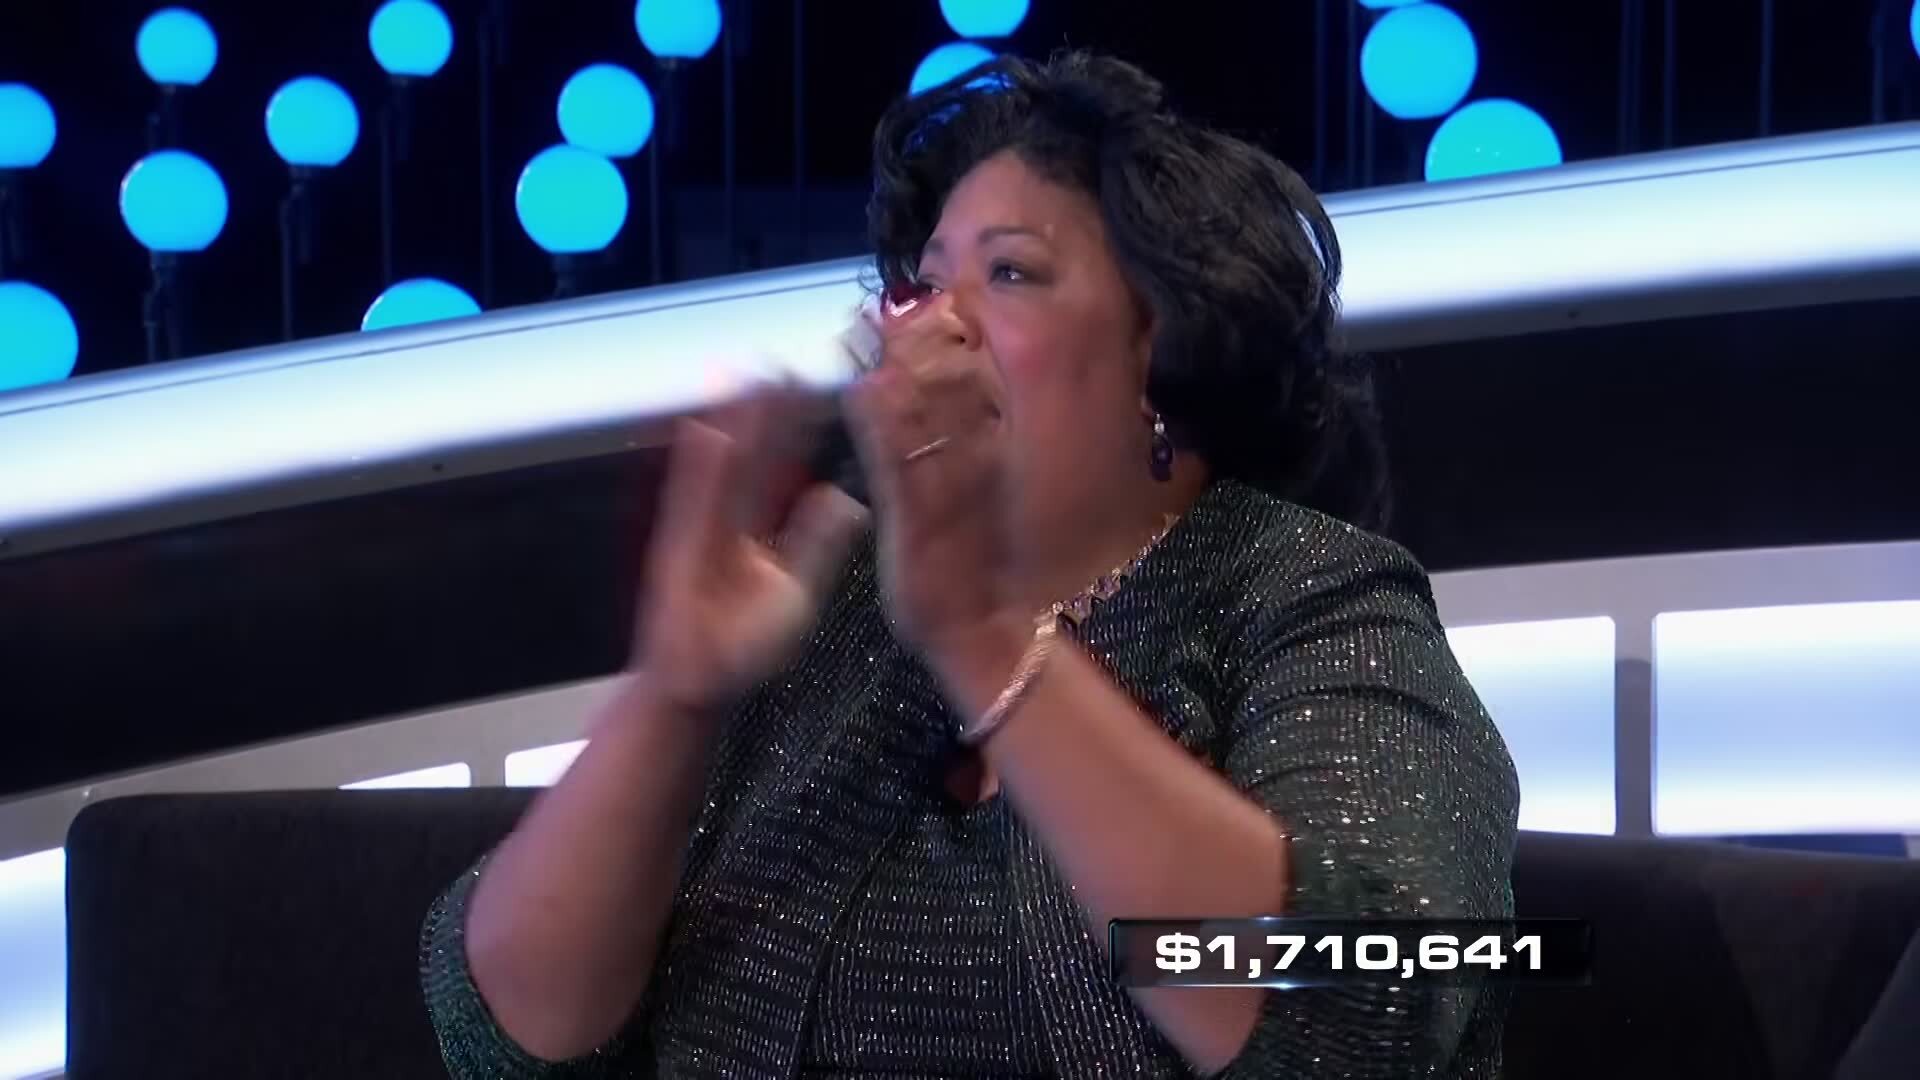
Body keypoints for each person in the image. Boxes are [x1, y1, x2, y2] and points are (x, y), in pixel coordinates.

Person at [420, 50, 1520, 1079]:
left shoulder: (1315, 597)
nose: (933, 325)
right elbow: (504, 1033)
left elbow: (1363, 1006)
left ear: (1168, 351)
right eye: (925, 282)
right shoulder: (834, 602)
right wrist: (677, 694)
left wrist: (986, 636)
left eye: (1009, 272)